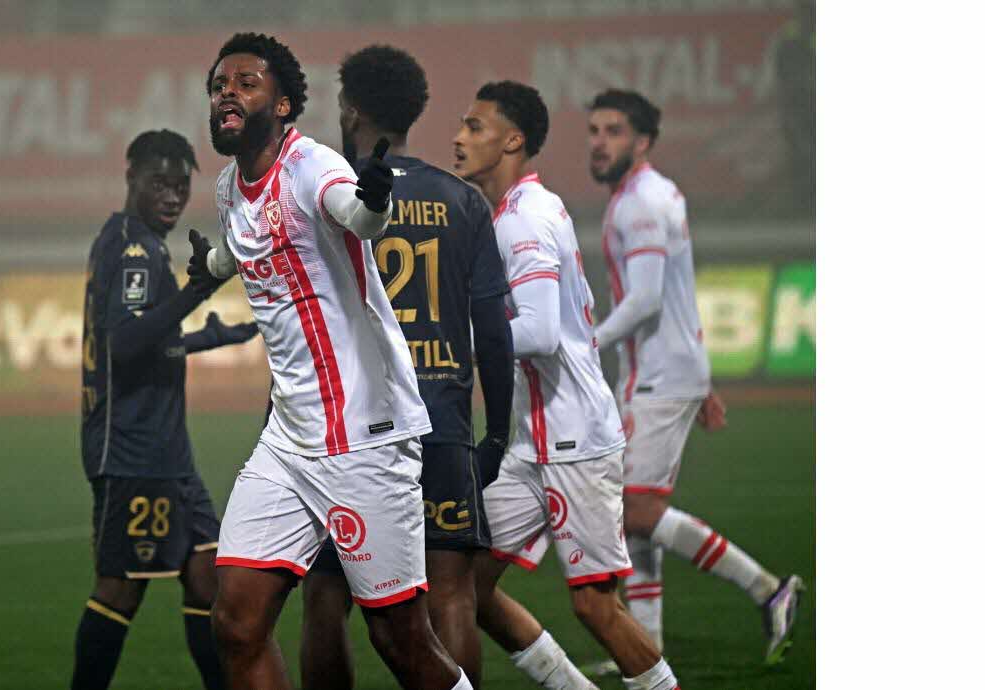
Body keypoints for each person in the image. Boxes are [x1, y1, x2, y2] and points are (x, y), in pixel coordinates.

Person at [191, 32, 474, 690]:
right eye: (217, 84)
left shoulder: (311, 165)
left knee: (399, 637)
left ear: (283, 105)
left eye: (244, 82)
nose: (226, 91)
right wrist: (204, 266)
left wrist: (374, 199)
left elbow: (356, 216)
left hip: (363, 438)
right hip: (288, 442)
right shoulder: (231, 188)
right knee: (235, 621)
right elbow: (240, 248)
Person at [298, 45, 514, 690]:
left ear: (354, 107)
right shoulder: (462, 200)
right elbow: (493, 331)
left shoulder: (323, 194)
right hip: (441, 421)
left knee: (326, 599)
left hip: (349, 430)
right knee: (449, 595)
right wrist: (497, 431)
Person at [453, 81, 682, 690]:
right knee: (462, 584)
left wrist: (451, 345)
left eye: (475, 127)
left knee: (595, 606)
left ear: (513, 139)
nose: (458, 137)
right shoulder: (514, 211)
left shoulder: (523, 218)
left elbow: (537, 333)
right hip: (530, 442)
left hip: (576, 439)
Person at [586, 88, 803, 667]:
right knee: (631, 514)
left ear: (643, 140)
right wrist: (700, 380)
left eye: (613, 130)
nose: (599, 141)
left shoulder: (642, 204)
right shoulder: (649, 195)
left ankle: (767, 588)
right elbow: (675, 294)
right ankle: (647, 644)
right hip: (663, 371)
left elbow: (648, 300)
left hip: (658, 375)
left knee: (635, 512)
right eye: (594, 130)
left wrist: (588, 343)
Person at [73, 129, 259, 690]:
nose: (173, 196)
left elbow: (146, 341)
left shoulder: (141, 242)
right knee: (121, 589)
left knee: (208, 579)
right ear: (131, 179)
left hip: (168, 454)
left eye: (181, 186)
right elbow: (126, 343)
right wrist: (196, 292)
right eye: (160, 183)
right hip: (132, 449)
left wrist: (206, 337)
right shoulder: (132, 247)